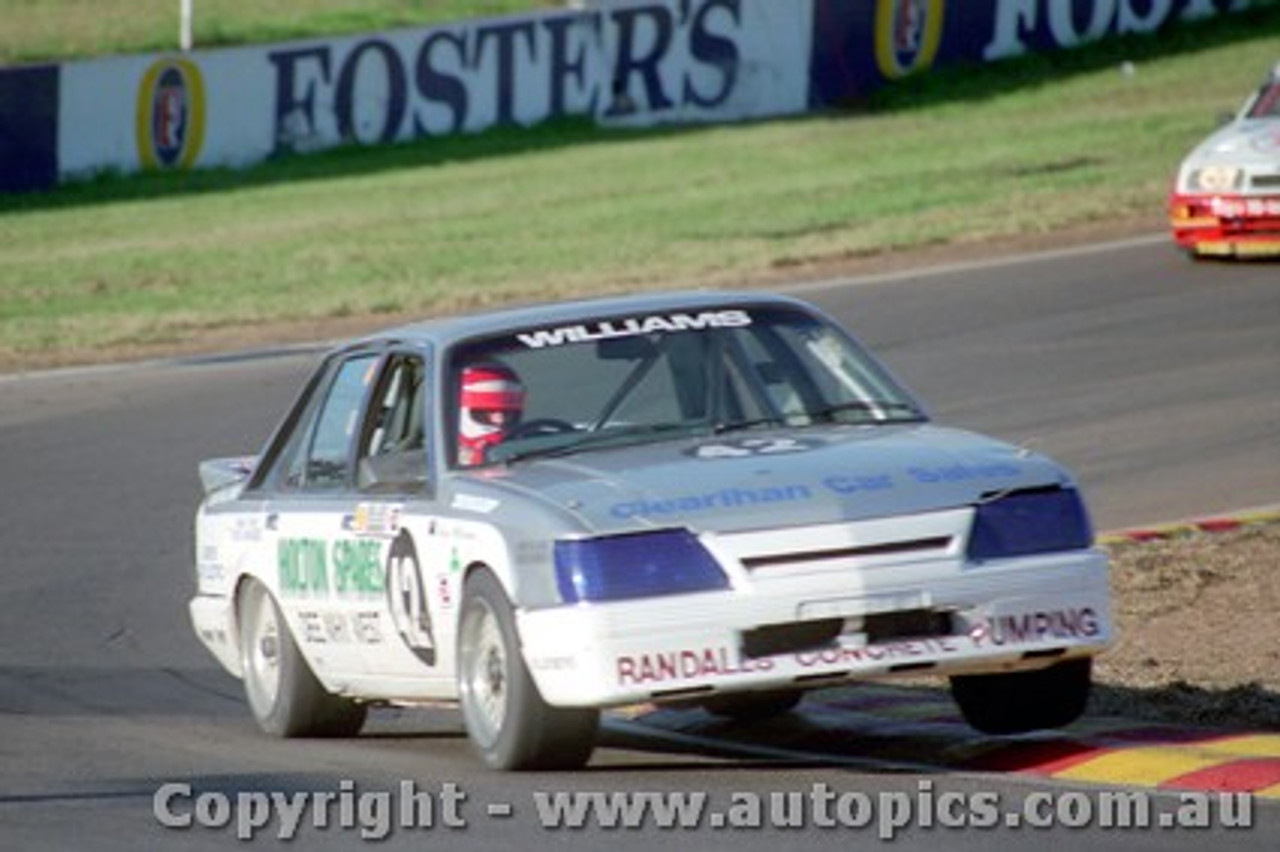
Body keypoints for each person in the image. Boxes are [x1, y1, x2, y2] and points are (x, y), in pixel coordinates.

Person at [457, 361, 525, 466]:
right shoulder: (443, 455)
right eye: (489, 411)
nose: (500, 420)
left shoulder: (524, 445)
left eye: (507, 413)